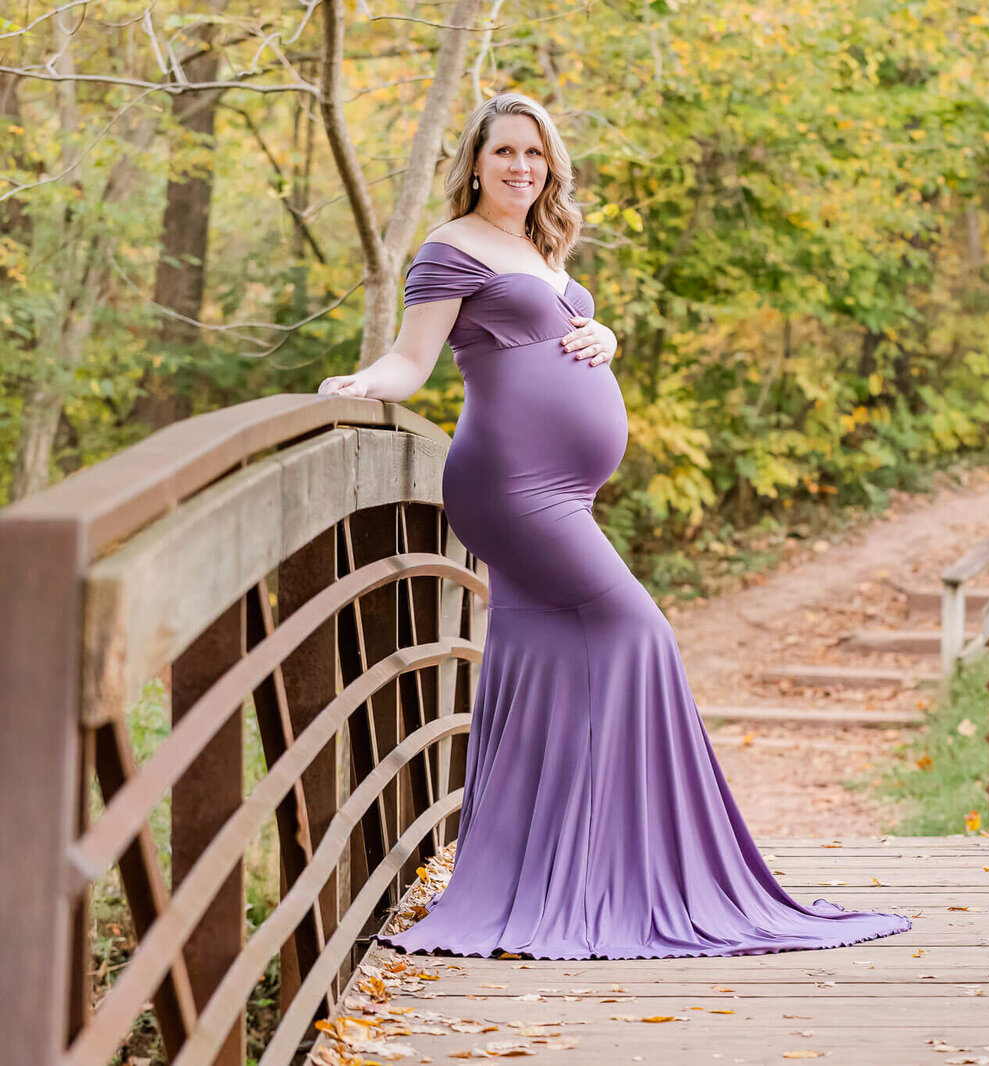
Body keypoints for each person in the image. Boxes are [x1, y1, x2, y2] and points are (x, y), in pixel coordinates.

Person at [318, 92, 913, 960]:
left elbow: (549, 329)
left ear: (549, 165)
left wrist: (602, 332)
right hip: (513, 487)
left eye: (535, 153)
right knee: (640, 631)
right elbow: (414, 360)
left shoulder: (540, 246)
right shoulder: (451, 247)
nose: (521, 166)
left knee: (551, 664)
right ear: (475, 164)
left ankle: (562, 868)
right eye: (505, 152)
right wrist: (365, 384)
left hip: (567, 487)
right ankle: (644, 870)